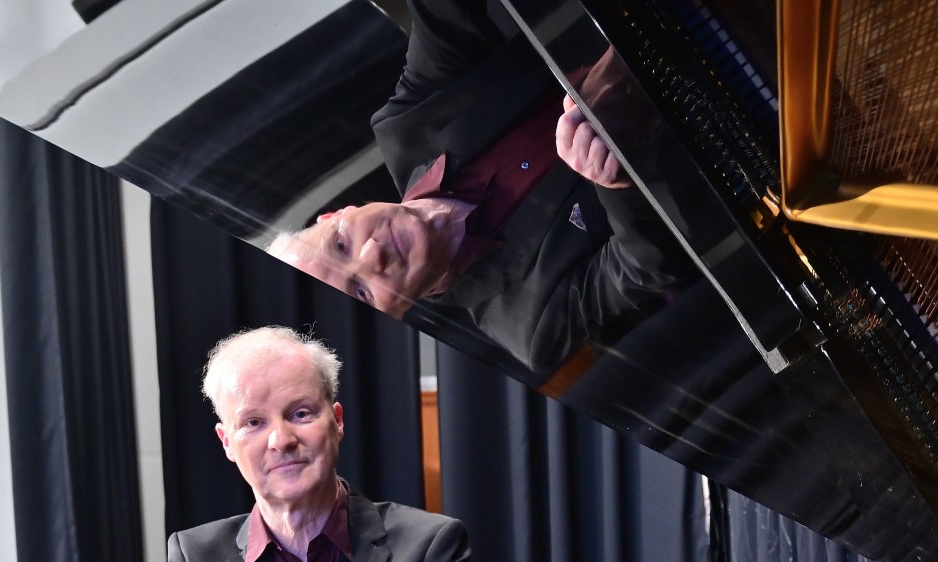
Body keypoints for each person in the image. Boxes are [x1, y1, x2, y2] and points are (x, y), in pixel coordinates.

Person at [19, 326, 493, 562]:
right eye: (253, 423)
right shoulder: (195, 556)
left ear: (338, 421)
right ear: (227, 442)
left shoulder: (427, 542)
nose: (280, 440)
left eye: (300, 413)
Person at [269, 0, 687, 376]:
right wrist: (617, 179)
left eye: (340, 246)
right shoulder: (530, 326)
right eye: (361, 292)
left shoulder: (407, 125)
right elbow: (649, 265)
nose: (372, 255)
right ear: (390, 316)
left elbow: (445, 15)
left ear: (336, 215)